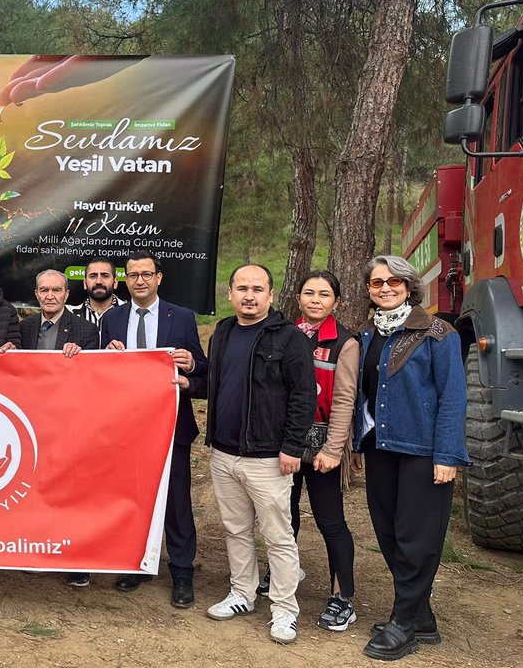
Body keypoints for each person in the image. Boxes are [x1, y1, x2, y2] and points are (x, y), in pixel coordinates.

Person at [353, 255, 468, 661]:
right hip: (380, 447)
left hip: (424, 451)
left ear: (408, 286)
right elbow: (362, 393)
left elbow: (453, 397)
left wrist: (447, 454)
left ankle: (403, 623)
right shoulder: (367, 334)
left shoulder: (437, 333)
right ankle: (420, 616)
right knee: (388, 532)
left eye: (394, 281)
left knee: (416, 538)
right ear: (369, 289)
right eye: (377, 282)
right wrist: (356, 442)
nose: (385, 288)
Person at [203, 263, 315, 645]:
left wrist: (292, 448)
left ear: (270, 294)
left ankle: (284, 610)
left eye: (257, 289)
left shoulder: (289, 339)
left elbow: (303, 397)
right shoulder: (222, 332)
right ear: (230, 293)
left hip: (268, 458)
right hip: (224, 454)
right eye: (242, 288)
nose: (249, 296)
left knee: (278, 537)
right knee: (235, 530)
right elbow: (217, 384)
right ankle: (242, 593)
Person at [101, 253, 207, 606]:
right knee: (132, 498)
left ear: (159, 277)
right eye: (133, 275)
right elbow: (100, 374)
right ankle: (136, 563)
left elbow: (202, 369)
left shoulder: (183, 317)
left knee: (176, 501)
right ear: (125, 280)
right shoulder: (113, 319)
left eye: (146, 274)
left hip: (171, 425)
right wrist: (106, 355)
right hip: (126, 427)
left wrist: (191, 365)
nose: (140, 280)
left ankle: (182, 572)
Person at [256, 271, 360, 632]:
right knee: (284, 514)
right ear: (298, 297)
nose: (316, 300)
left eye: (324, 294)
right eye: (309, 293)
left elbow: (345, 400)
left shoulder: (345, 342)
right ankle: (284, 572)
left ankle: (342, 596)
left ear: (336, 302)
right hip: (286, 441)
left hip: (322, 447)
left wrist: (333, 449)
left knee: (330, 520)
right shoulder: (286, 334)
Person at [18, 268, 100, 589]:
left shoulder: (85, 330)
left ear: (67, 294)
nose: (50, 296)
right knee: (33, 490)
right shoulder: (24, 328)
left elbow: (94, 378)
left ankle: (76, 560)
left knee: (70, 493)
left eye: (56, 290)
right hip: (31, 423)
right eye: (44, 290)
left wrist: (82, 359)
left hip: (69, 425)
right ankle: (36, 549)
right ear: (36, 295)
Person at [68, 257, 123, 343]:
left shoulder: (130, 313)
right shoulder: (70, 314)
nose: (99, 281)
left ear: (115, 283)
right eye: (93, 276)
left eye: (105, 276)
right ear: (85, 283)